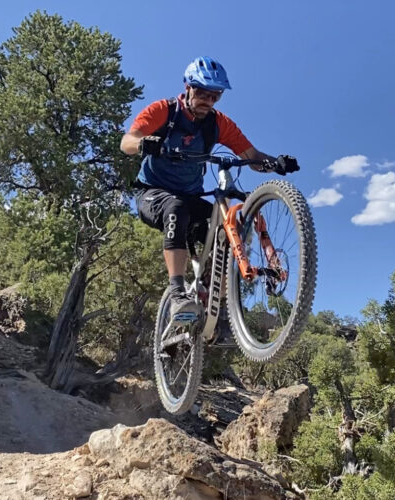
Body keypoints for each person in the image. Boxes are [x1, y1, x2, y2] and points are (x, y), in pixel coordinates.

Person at [120, 56, 297, 318]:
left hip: (191, 196)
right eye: (202, 93)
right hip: (153, 193)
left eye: (216, 96)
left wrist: (274, 162)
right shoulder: (164, 111)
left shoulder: (218, 123)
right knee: (176, 208)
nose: (208, 101)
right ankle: (178, 295)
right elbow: (127, 142)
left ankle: (217, 305)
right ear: (188, 87)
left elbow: (251, 155)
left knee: (229, 229)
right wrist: (144, 144)